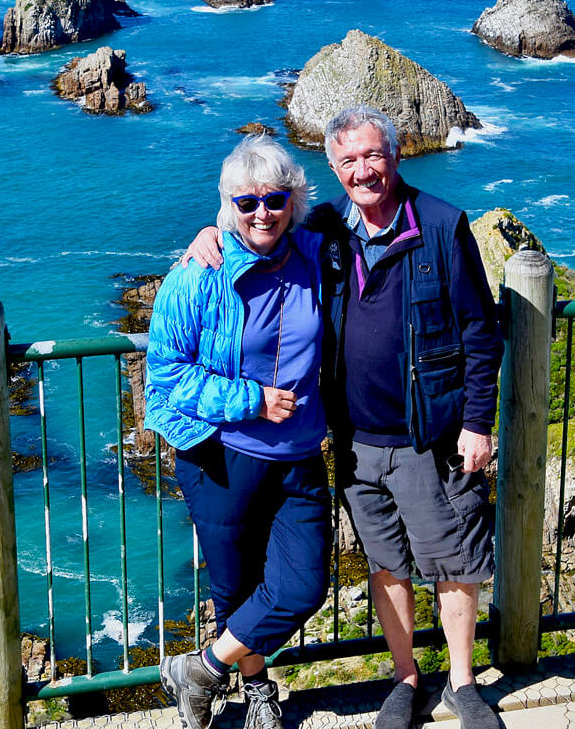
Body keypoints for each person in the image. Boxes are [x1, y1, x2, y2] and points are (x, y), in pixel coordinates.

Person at [186, 106, 502, 729]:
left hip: (428, 434)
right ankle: (406, 677)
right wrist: (210, 234)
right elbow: (259, 227)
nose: (364, 171)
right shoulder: (326, 230)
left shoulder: (441, 224)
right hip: (355, 442)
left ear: (396, 156)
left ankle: (462, 683)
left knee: (452, 561)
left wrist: (477, 422)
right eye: (349, 161)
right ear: (333, 167)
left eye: (373, 156)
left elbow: (480, 330)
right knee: (387, 563)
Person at [147, 135, 338, 729]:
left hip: (301, 453)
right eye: (247, 201)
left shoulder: (319, 254)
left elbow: (375, 219)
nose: (262, 213)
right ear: (227, 203)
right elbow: (166, 372)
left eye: (275, 200)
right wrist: (251, 400)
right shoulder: (197, 274)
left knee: (304, 587)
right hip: (221, 456)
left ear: (294, 201)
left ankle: (199, 669)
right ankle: (255, 686)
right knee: (234, 587)